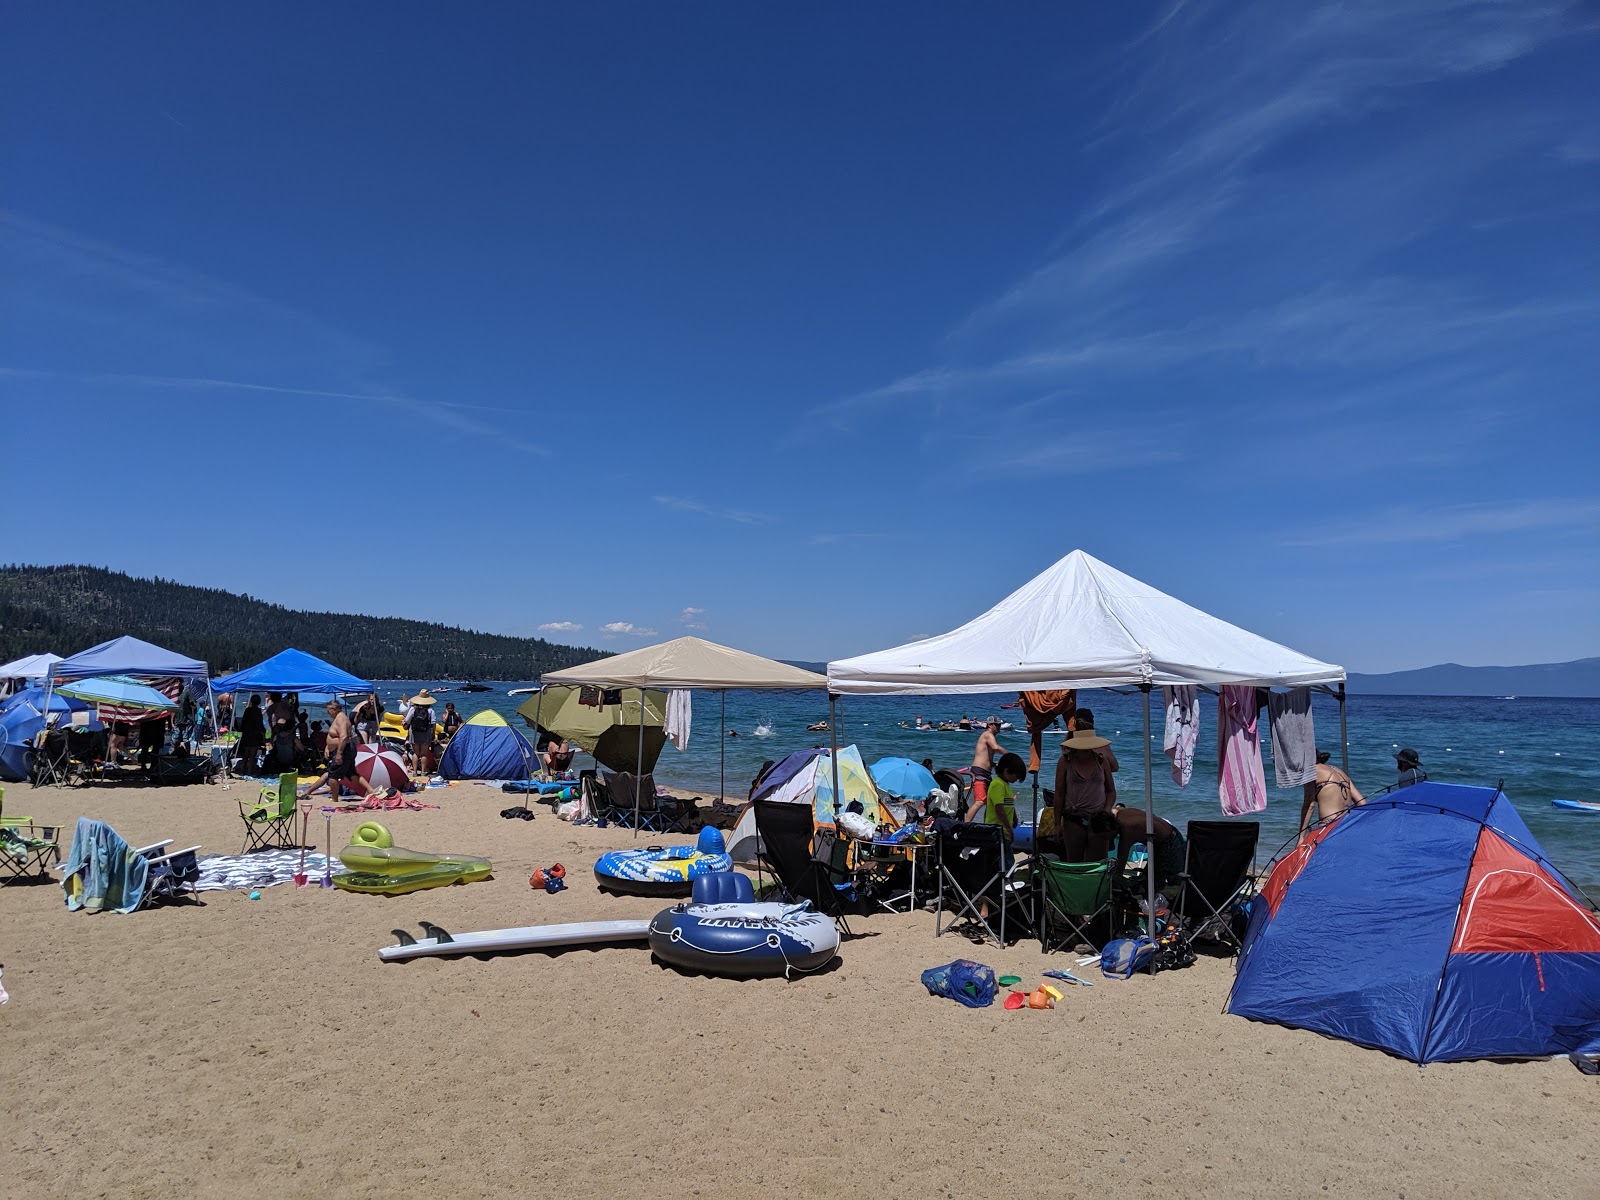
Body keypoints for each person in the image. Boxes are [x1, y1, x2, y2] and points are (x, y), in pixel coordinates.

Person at [1053, 727, 1114, 862]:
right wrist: (1057, 823)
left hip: (1097, 818)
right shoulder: (1065, 762)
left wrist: (1106, 810)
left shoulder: (1101, 761)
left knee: (1097, 863)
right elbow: (1059, 794)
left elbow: (1111, 791)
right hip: (1073, 818)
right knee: (1074, 862)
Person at [301, 699, 371, 800]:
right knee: (351, 774)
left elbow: (343, 737)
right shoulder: (339, 718)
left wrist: (339, 754)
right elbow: (334, 737)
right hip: (345, 749)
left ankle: (335, 798)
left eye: (328, 710)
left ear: (334, 709)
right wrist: (327, 747)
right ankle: (371, 790)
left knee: (332, 775)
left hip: (344, 749)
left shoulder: (341, 718)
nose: (328, 713)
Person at [1107, 804, 1185, 890]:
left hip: (1169, 840)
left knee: (1164, 880)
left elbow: (1121, 861)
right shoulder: (1121, 813)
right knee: (1150, 877)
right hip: (1166, 833)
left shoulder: (1127, 829)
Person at [1301, 750, 1365, 837]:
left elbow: (1309, 805)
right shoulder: (1339, 771)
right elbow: (1362, 803)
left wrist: (1301, 837)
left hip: (1328, 825)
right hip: (1347, 823)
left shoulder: (1311, 771)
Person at [1069, 708, 1119, 806]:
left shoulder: (1068, 746)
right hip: (1097, 800)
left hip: (1073, 804)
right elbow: (1114, 767)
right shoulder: (1101, 746)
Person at [967, 751, 1025, 831]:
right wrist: (1008, 829)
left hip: (1003, 830)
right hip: (995, 830)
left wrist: (1014, 817)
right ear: (1007, 771)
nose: (1017, 779)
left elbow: (1008, 804)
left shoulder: (1006, 785)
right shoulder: (998, 784)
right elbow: (999, 809)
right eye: (1017, 776)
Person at [970, 715, 1005, 813]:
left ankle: (987, 825)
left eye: (1000, 725)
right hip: (979, 772)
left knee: (990, 803)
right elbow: (995, 747)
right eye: (997, 725)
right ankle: (965, 825)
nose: (999, 727)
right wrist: (1009, 755)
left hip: (986, 773)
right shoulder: (987, 734)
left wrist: (993, 764)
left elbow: (985, 756)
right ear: (990, 725)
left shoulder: (990, 736)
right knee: (980, 801)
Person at [407, 689, 437, 776]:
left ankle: (415, 772)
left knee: (416, 752)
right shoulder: (430, 710)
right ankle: (423, 771)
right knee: (424, 753)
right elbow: (433, 723)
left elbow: (407, 720)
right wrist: (433, 734)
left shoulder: (413, 709)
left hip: (414, 732)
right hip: (426, 731)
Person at [237, 694, 267, 771]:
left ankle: (243, 770)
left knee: (246, 754)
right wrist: (263, 734)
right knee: (252, 755)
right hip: (255, 734)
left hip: (247, 733)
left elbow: (243, 722)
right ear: (259, 702)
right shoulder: (258, 711)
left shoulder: (247, 710)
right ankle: (250, 770)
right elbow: (260, 724)